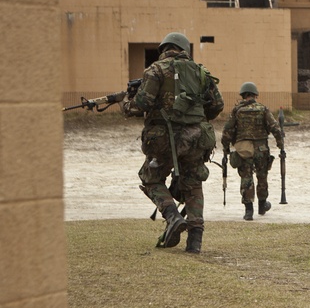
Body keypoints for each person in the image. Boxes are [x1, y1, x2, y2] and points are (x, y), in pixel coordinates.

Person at [122, 32, 224, 254]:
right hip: (197, 138)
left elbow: (141, 104)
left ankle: (172, 216)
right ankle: (195, 241)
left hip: (164, 140)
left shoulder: (156, 70)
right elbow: (217, 105)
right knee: (193, 183)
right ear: (184, 49)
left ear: (164, 48)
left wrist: (125, 104)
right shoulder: (201, 72)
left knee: (151, 178)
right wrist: (195, 119)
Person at [221, 82, 285, 220]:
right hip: (261, 149)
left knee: (246, 178)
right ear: (255, 95)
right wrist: (281, 145)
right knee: (262, 176)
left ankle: (248, 210)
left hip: (244, 149)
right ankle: (262, 205)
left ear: (243, 95)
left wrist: (225, 148)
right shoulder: (263, 109)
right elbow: (275, 128)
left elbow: (227, 131)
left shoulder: (237, 110)